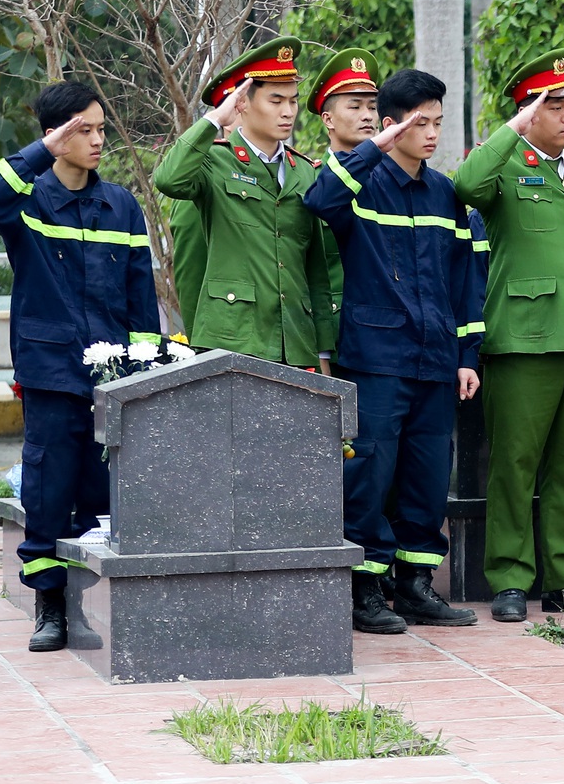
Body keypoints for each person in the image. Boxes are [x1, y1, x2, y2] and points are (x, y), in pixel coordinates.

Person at [0, 81, 160, 652]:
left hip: (111, 376)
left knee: (101, 489)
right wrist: (42, 150)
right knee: (49, 487)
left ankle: (95, 599)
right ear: (56, 136)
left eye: (101, 129)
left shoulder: (121, 205)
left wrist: (144, 366)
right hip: (51, 370)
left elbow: (139, 296)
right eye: (85, 129)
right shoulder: (27, 201)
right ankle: (49, 605)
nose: (99, 140)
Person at [304, 69, 483, 633]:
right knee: (370, 477)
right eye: (418, 123)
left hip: (435, 359)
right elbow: (319, 199)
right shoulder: (361, 184)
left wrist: (466, 356)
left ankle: (415, 585)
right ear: (391, 125)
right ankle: (365, 590)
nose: (431, 134)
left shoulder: (445, 193)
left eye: (437, 122)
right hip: (376, 356)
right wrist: (370, 151)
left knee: (428, 477)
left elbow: (465, 283)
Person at [452, 53, 564, 622]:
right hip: (522, 336)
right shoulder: (503, 164)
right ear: (529, 110)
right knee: (515, 462)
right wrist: (513, 130)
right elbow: (466, 185)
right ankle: (508, 577)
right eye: (555, 105)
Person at [152, 38, 332, 367]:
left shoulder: (305, 172)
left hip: (295, 343)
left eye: (293, 100)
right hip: (231, 339)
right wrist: (215, 120)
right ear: (243, 103)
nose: (288, 111)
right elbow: (168, 179)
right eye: (276, 100)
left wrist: (321, 352)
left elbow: (316, 271)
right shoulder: (214, 162)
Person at [306, 47, 381, 372]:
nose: (367, 115)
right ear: (328, 119)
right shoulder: (313, 180)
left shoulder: (389, 180)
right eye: (355, 106)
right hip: (336, 336)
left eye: (372, 107)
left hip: (387, 338)